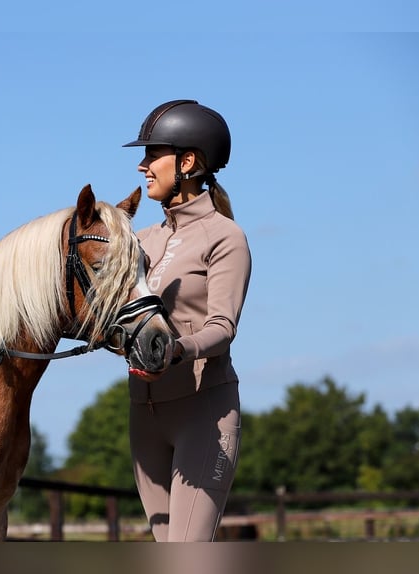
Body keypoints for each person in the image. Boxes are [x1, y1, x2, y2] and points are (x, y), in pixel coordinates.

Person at [122, 99, 252, 541]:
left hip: (204, 414)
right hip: (144, 416)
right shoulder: (139, 240)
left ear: (188, 161)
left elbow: (222, 327)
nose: (142, 166)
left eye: (151, 154)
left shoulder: (225, 237)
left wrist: (179, 348)